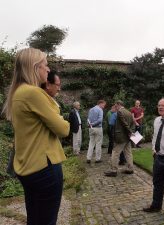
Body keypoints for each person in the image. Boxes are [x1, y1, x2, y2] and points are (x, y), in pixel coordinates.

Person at [2, 48, 70, 225]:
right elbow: (63, 129)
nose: (48, 70)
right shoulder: (33, 93)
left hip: (28, 168)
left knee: (35, 219)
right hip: (44, 168)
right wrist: (59, 115)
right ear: (34, 67)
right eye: (45, 65)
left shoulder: (19, 92)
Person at [104, 100, 135, 177]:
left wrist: (130, 132)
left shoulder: (119, 112)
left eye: (115, 105)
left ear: (118, 104)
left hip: (121, 137)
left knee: (115, 152)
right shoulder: (129, 112)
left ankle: (113, 170)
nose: (115, 107)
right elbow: (132, 123)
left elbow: (123, 124)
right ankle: (130, 168)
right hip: (127, 136)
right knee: (128, 152)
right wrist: (131, 133)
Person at [86, 100, 106, 164]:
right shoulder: (100, 110)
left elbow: (88, 119)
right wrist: (93, 124)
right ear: (100, 103)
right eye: (103, 105)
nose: (103, 107)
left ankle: (88, 158)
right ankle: (97, 159)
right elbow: (100, 120)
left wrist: (90, 124)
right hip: (98, 128)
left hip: (91, 129)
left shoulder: (91, 109)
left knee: (91, 143)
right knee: (98, 143)